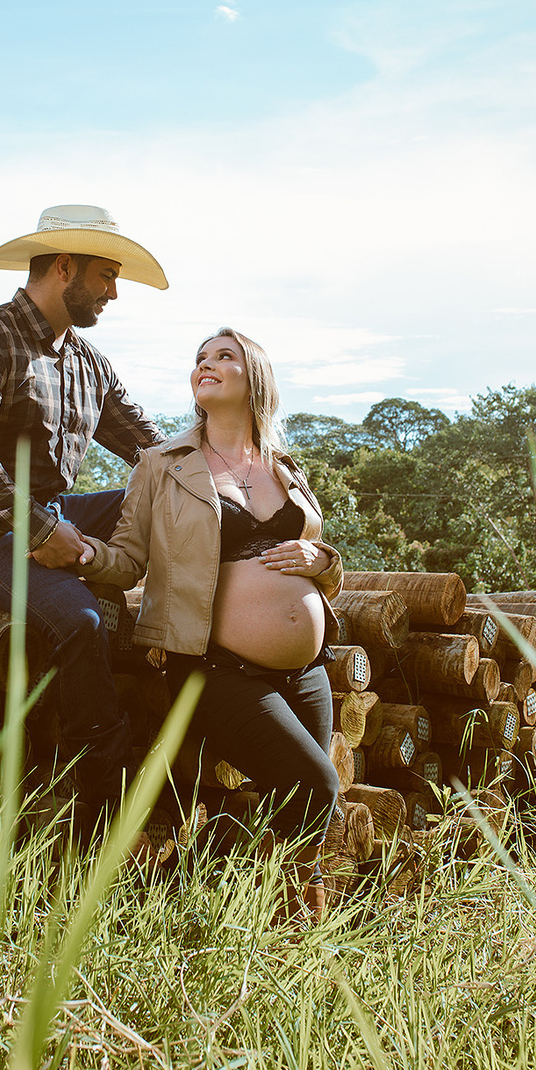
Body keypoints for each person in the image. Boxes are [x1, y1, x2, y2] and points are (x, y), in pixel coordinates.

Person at [0, 203, 168, 838]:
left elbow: (153, 451)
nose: (113, 292)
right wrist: (38, 531)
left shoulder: (89, 362)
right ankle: (103, 819)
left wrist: (240, 470)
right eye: (105, 276)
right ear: (63, 268)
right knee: (80, 622)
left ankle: (186, 641)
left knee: (170, 494)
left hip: (52, 515)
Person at [75, 326, 343, 920]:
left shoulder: (285, 467)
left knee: (301, 814)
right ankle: (244, 917)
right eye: (200, 358)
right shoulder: (162, 465)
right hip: (215, 668)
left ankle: (290, 937)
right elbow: (125, 561)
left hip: (307, 671)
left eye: (225, 356)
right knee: (317, 787)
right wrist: (80, 554)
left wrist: (321, 560)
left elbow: (318, 559)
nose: (207, 364)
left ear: (256, 378)